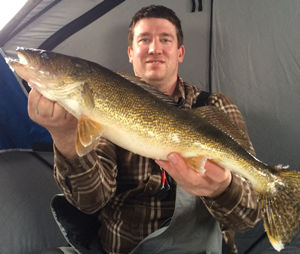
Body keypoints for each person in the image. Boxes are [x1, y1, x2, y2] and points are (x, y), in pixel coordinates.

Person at [28, 5, 261, 254]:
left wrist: (222, 188)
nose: (154, 48)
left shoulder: (215, 107)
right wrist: (64, 137)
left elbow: (247, 218)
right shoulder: (102, 106)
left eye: (165, 39)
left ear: (180, 52)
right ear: (130, 52)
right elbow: (90, 201)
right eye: (144, 39)